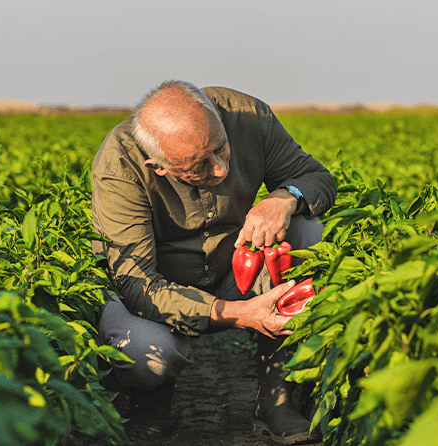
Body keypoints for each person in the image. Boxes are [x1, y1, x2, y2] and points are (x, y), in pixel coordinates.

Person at [91, 80, 336, 444]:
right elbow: (138, 284)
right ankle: (150, 404)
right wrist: (242, 314)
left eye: (222, 149)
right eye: (198, 167)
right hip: (154, 292)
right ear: (157, 167)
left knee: (307, 233)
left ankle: (276, 399)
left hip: (231, 269)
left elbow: (317, 177)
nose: (220, 170)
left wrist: (285, 198)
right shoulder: (119, 165)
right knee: (147, 353)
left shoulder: (246, 116)